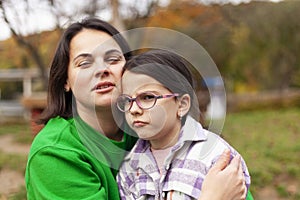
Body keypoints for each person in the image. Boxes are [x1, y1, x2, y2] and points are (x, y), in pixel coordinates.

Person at [25, 17, 252, 200]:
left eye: (113, 59)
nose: (102, 69)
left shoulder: (153, 129)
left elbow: (237, 190)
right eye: (84, 63)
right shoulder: (55, 155)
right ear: (65, 80)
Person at [116, 49, 251, 199]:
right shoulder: (129, 169)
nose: (134, 109)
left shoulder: (215, 156)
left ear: (182, 104)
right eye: (127, 100)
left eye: (147, 97)